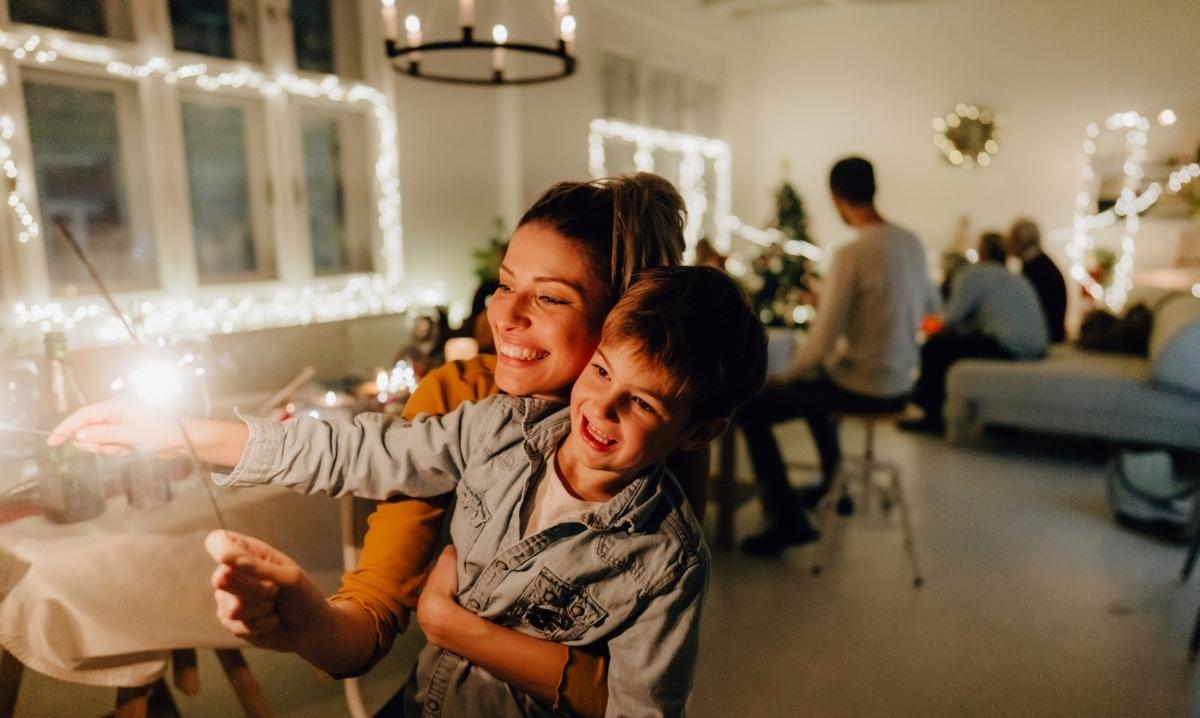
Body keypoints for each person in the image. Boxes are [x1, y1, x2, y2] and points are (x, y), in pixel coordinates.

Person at [52, 173, 708, 717]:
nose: (502, 317)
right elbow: (359, 457)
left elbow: (635, 690)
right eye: (505, 284)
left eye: (552, 299)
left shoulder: (651, 454)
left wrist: (460, 628)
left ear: (623, 323)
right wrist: (186, 435)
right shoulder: (479, 411)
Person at [739, 156, 937, 558]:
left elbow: (822, 341)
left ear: (836, 197)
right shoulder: (910, 242)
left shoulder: (852, 252)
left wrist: (785, 376)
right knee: (820, 386)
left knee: (754, 409)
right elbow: (930, 307)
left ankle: (786, 519)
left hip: (863, 385)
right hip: (900, 382)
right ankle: (835, 485)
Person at [902, 232, 1050, 434]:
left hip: (1007, 345)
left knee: (934, 346)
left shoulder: (974, 275)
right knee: (954, 344)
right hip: (1037, 348)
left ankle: (930, 416)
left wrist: (926, 323)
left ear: (982, 251)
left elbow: (951, 317)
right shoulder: (1015, 278)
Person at [1006, 218, 1067, 343]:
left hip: (1047, 334)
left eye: (1011, 238)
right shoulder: (1040, 263)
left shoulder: (1035, 269)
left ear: (1019, 241)